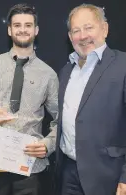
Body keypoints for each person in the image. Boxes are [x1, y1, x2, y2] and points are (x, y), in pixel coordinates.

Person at [0, 3, 58, 195]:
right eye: (17, 25)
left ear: (36, 30)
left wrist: (48, 144)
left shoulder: (48, 74)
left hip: (28, 165)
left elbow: (61, 119)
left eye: (28, 25)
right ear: (9, 30)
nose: (22, 30)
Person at [55, 4, 126, 195]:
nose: (83, 36)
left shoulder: (123, 65)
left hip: (108, 175)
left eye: (88, 28)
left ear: (104, 28)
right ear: (70, 37)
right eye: (76, 31)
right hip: (68, 172)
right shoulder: (65, 71)